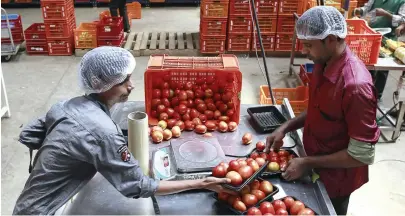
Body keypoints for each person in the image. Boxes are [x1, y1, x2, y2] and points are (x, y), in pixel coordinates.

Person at [13, 47, 233, 215]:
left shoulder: (65, 105)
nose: (132, 85)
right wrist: (202, 183)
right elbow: (138, 186)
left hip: (27, 205)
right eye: (124, 80)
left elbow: (30, 133)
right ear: (104, 84)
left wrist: (69, 156)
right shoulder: (104, 133)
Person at [266, 6, 380, 215]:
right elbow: (320, 110)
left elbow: (361, 154)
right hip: (313, 160)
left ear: (331, 39)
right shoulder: (323, 62)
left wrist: (308, 162)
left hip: (337, 179)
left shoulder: (355, 87)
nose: (303, 51)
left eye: (308, 45)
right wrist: (285, 126)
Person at [354, 0, 405, 100]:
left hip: (388, 37)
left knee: (383, 69)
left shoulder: (401, 2)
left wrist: (386, 14)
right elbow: (367, 8)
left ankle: (377, 96)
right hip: (371, 34)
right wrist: (360, 10)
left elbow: (402, 20)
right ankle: (365, 91)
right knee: (368, 63)